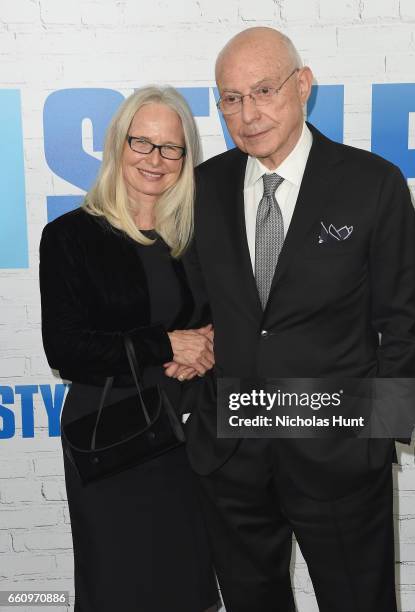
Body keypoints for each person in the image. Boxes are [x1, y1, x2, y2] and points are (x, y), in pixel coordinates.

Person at [173, 27, 415, 612]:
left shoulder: (372, 184)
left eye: (263, 90)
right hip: (231, 457)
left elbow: (404, 323)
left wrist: (377, 438)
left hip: (338, 455)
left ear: (303, 85)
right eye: (231, 98)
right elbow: (192, 308)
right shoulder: (203, 187)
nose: (248, 112)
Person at [39, 86, 219, 612]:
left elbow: (234, 317)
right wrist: (165, 343)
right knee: (118, 586)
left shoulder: (198, 236)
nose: (155, 160)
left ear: (186, 159)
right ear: (118, 145)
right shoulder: (70, 237)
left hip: (190, 437)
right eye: (143, 143)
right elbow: (66, 349)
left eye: (171, 148)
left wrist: (208, 344)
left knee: (187, 586)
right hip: (111, 439)